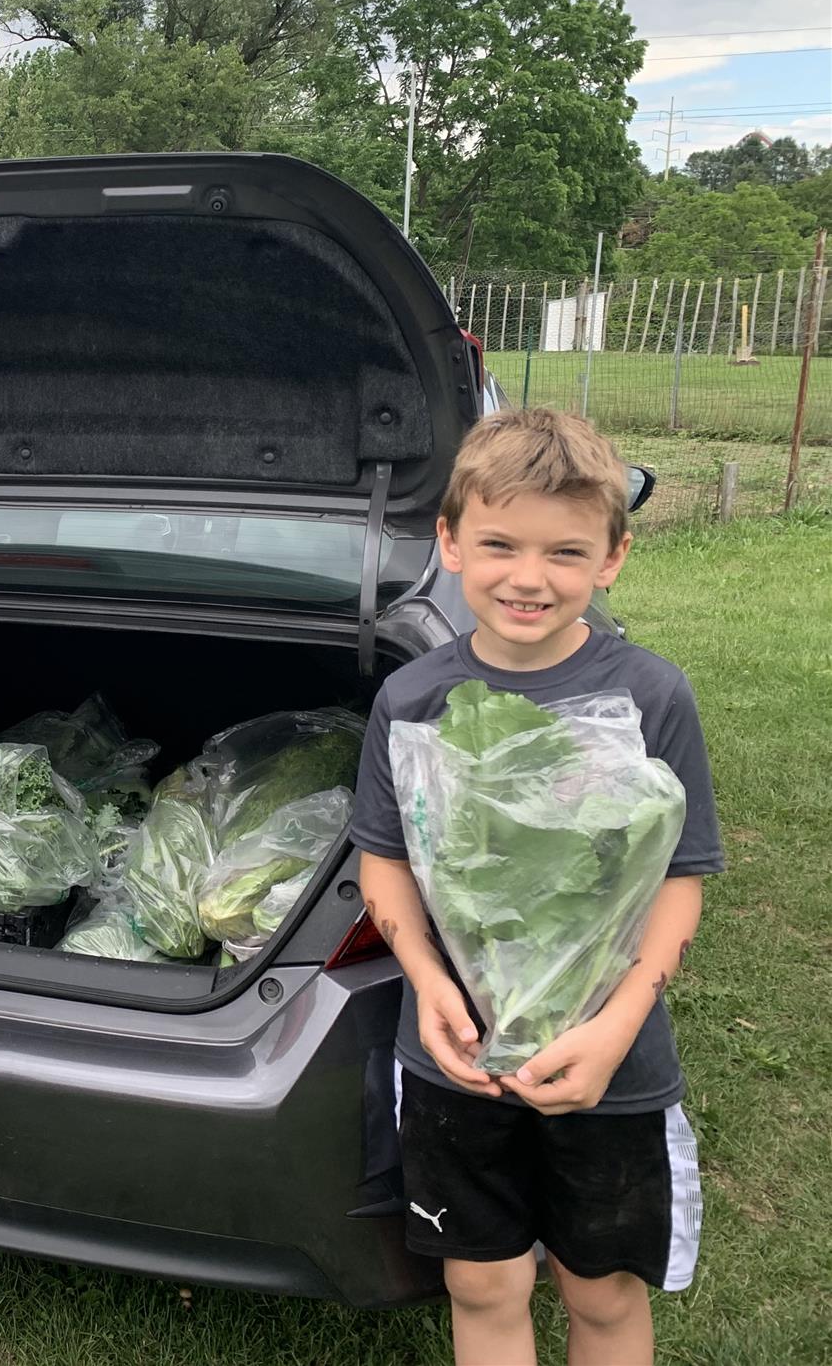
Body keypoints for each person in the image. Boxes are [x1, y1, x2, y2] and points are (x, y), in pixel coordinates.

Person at [350, 407, 721, 1366]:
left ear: (612, 558)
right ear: (450, 543)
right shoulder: (412, 698)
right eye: (500, 544)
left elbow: (680, 878)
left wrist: (617, 1025)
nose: (529, 576)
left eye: (565, 552)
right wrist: (429, 982)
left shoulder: (652, 696)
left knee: (602, 1289)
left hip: (612, 1063)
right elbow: (385, 859)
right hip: (456, 1057)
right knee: (481, 1282)